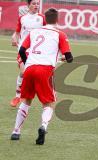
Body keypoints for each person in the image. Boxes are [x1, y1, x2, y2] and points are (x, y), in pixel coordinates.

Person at [10, 8, 73, 145]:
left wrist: (27, 64)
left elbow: (21, 50)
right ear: (57, 19)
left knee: (26, 100)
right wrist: (63, 58)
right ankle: (43, 127)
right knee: (48, 103)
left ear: (45, 18)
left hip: (30, 68)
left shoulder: (34, 31)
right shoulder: (60, 34)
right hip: (45, 70)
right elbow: (69, 57)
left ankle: (16, 132)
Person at [10, 0, 46, 108]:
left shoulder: (42, 18)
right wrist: (14, 38)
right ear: (28, 5)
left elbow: (48, 31)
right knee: (23, 72)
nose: (36, 5)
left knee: (35, 75)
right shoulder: (22, 18)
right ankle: (17, 96)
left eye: (37, 4)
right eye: (34, 3)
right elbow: (17, 33)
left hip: (36, 52)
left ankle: (34, 94)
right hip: (23, 50)